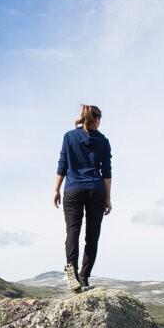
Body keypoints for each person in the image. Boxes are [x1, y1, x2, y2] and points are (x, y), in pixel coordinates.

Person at [53, 104, 112, 293]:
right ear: (97, 119)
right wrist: (108, 197)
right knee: (92, 236)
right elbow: (107, 171)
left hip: (73, 190)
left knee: (72, 232)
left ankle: (72, 273)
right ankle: (84, 277)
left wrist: (56, 189)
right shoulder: (103, 141)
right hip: (96, 190)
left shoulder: (69, 137)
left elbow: (63, 164)